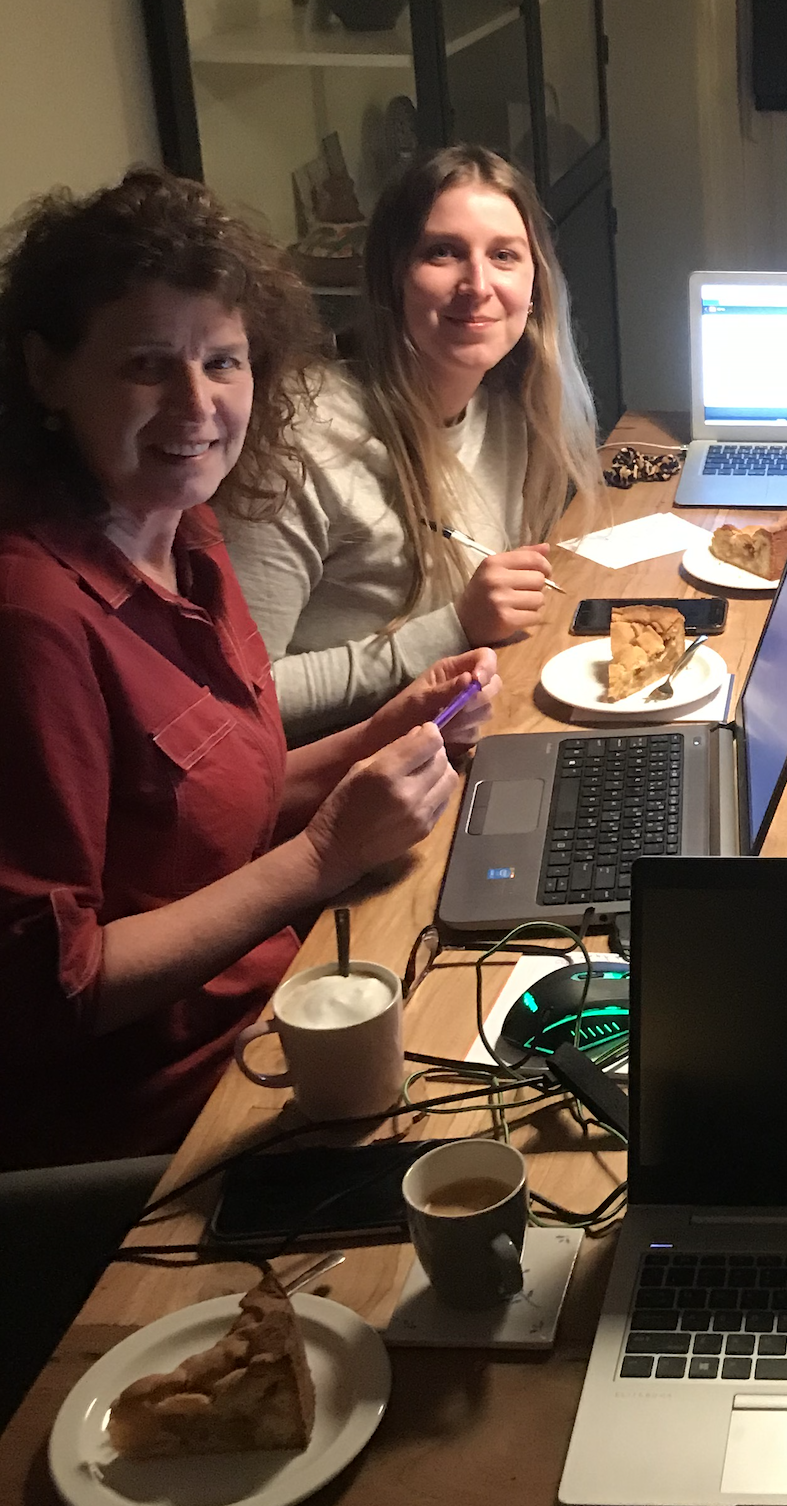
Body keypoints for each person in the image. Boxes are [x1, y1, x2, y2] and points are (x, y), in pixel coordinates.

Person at [0, 169, 501, 1170]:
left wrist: (380, 734)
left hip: (293, 1012)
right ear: (48, 373)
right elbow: (51, 991)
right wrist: (324, 856)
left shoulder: (188, 534)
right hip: (171, 1129)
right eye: (147, 365)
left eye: (222, 362)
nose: (196, 405)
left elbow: (211, 803)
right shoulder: (34, 620)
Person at [219, 144, 601, 742]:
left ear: (535, 285)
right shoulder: (295, 444)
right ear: (392, 277)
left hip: (451, 737)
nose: (478, 285)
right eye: (443, 252)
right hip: (342, 772)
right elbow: (239, 698)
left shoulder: (509, 408)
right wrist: (453, 628)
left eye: (504, 255)